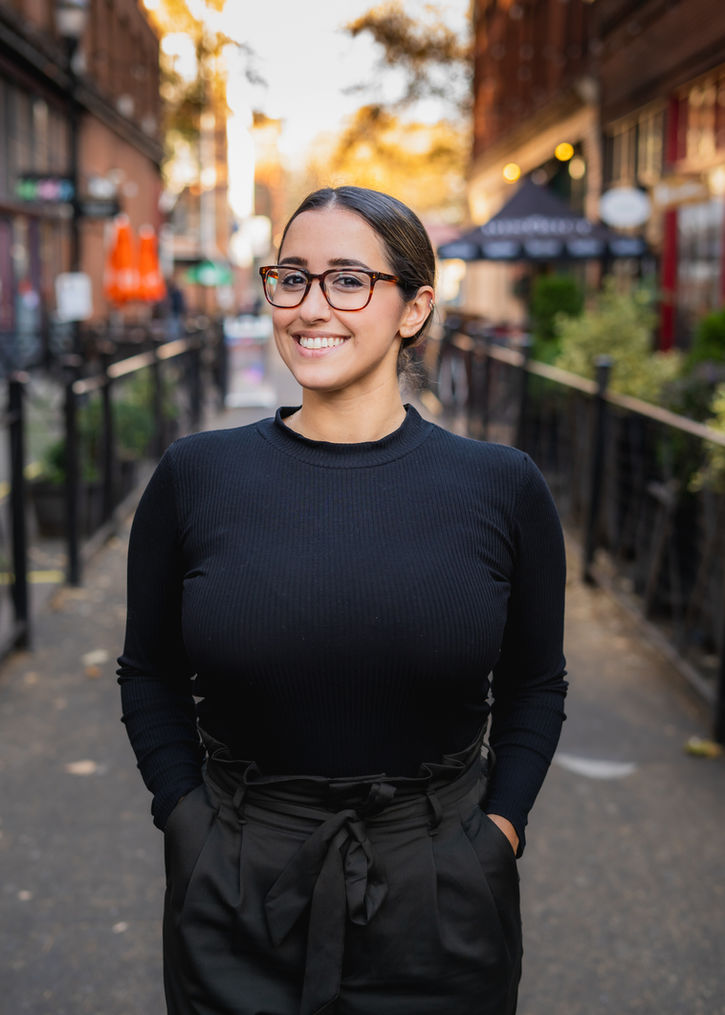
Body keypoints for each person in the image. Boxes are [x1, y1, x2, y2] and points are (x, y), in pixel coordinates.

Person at [117, 185, 567, 1015]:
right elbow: (148, 671)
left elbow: (537, 683)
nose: (309, 306)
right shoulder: (197, 475)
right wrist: (186, 820)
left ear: (412, 308)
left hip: (442, 885)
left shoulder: (500, 488)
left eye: (348, 280)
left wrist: (498, 833)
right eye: (291, 277)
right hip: (237, 879)